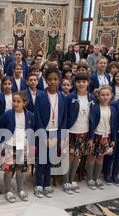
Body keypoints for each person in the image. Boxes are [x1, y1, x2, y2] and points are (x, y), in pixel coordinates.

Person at [34, 67, 67, 198]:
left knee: (50, 161)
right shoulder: (40, 95)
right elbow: (38, 117)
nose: (53, 82)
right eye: (50, 79)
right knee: (41, 160)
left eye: (55, 79)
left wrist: (59, 136)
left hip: (55, 132)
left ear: (59, 80)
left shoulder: (62, 97)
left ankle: (47, 184)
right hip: (44, 133)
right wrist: (44, 136)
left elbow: (63, 118)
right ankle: (38, 184)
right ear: (46, 80)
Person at [0, 91, 34, 202]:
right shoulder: (8, 114)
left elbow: (30, 130)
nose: (15, 103)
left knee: (21, 169)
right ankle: (8, 190)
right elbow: (1, 129)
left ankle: (20, 189)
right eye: (14, 101)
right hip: (10, 145)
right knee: (8, 169)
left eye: (18, 101)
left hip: (22, 145)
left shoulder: (29, 115)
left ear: (25, 103)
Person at [63, 72, 95, 193]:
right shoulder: (70, 97)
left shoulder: (91, 98)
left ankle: (72, 180)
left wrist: (91, 136)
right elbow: (65, 116)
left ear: (88, 83)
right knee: (69, 157)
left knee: (78, 157)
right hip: (71, 132)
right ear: (74, 84)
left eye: (84, 81)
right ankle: (66, 181)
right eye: (78, 82)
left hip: (84, 132)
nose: (81, 84)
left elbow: (92, 119)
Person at [87, 86, 118, 189]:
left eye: (107, 95)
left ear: (111, 96)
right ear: (99, 96)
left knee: (101, 157)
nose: (105, 97)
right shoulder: (95, 108)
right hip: (96, 136)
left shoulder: (112, 108)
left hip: (106, 137)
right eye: (103, 95)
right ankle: (90, 178)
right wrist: (91, 138)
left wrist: (113, 139)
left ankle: (97, 178)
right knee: (92, 157)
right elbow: (91, 124)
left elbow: (114, 125)